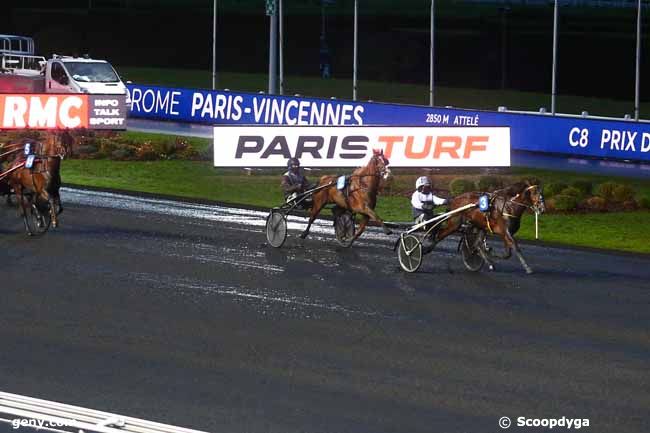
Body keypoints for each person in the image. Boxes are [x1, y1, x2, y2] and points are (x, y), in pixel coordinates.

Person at [411, 176, 448, 253]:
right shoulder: (416, 195)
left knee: (441, 216)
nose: (427, 188)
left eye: (428, 187)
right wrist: (424, 206)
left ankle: (432, 235)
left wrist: (445, 201)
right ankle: (424, 223)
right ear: (420, 187)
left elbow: (437, 200)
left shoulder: (430, 195)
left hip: (430, 218)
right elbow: (416, 203)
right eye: (426, 187)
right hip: (419, 216)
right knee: (424, 216)